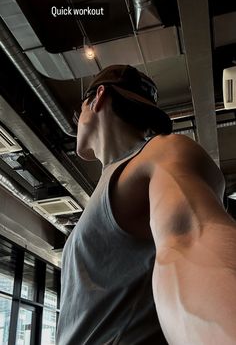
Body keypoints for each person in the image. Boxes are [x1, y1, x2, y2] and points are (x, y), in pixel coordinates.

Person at [57, 64, 236, 345]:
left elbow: (190, 240)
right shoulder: (111, 184)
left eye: (80, 111)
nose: (78, 120)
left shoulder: (161, 152)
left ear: (97, 97)